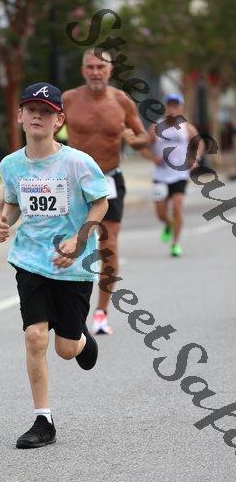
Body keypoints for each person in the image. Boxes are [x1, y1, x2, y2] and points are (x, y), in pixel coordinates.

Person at [0, 82, 108, 449]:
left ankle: (80, 340)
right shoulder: (11, 165)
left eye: (46, 112)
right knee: (34, 336)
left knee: (65, 349)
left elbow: (101, 203)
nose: (37, 116)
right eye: (31, 110)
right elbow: (14, 203)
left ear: (59, 120)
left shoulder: (78, 162)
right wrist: (4, 222)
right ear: (20, 116)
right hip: (30, 259)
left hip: (73, 266)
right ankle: (43, 420)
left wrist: (79, 239)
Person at [62, 49, 149, 335]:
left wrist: (134, 140)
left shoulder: (121, 101)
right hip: (74, 183)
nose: (96, 72)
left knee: (108, 246)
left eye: (101, 66)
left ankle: (101, 312)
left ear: (110, 70)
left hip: (109, 180)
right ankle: (69, 309)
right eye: (90, 67)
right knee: (70, 246)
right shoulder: (69, 99)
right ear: (83, 70)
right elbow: (47, 130)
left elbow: (143, 137)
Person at [140, 93, 203, 257]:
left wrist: (195, 159)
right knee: (161, 213)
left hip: (179, 175)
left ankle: (175, 244)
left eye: (176, 105)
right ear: (165, 107)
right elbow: (142, 147)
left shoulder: (187, 128)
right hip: (160, 176)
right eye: (170, 105)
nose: (173, 108)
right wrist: (153, 158)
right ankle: (168, 224)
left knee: (177, 205)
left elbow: (199, 144)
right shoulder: (156, 127)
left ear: (181, 108)